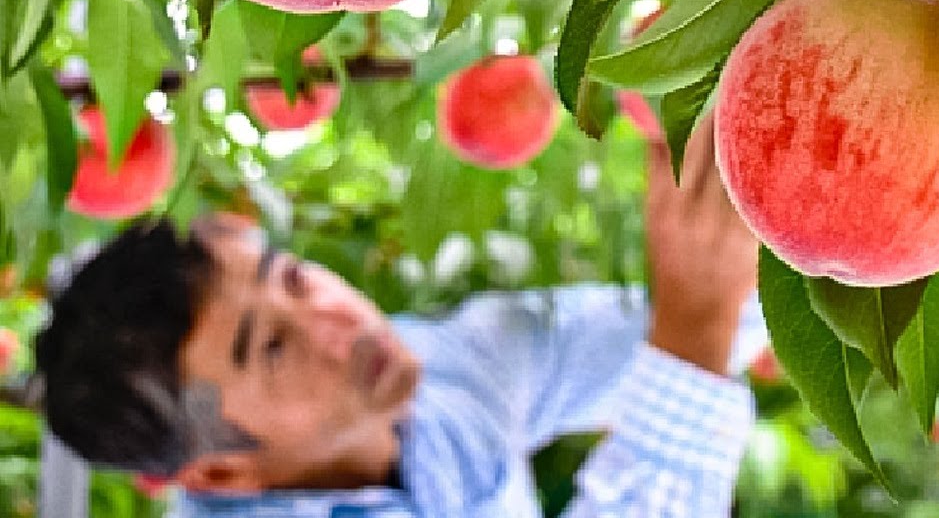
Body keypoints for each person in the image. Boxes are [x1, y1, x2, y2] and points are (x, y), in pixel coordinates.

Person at [34, 121, 765, 517]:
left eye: (292, 277)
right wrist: (694, 325)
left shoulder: (440, 366)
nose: (335, 319)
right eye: (275, 347)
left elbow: (711, 311)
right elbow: (695, 319)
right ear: (223, 469)